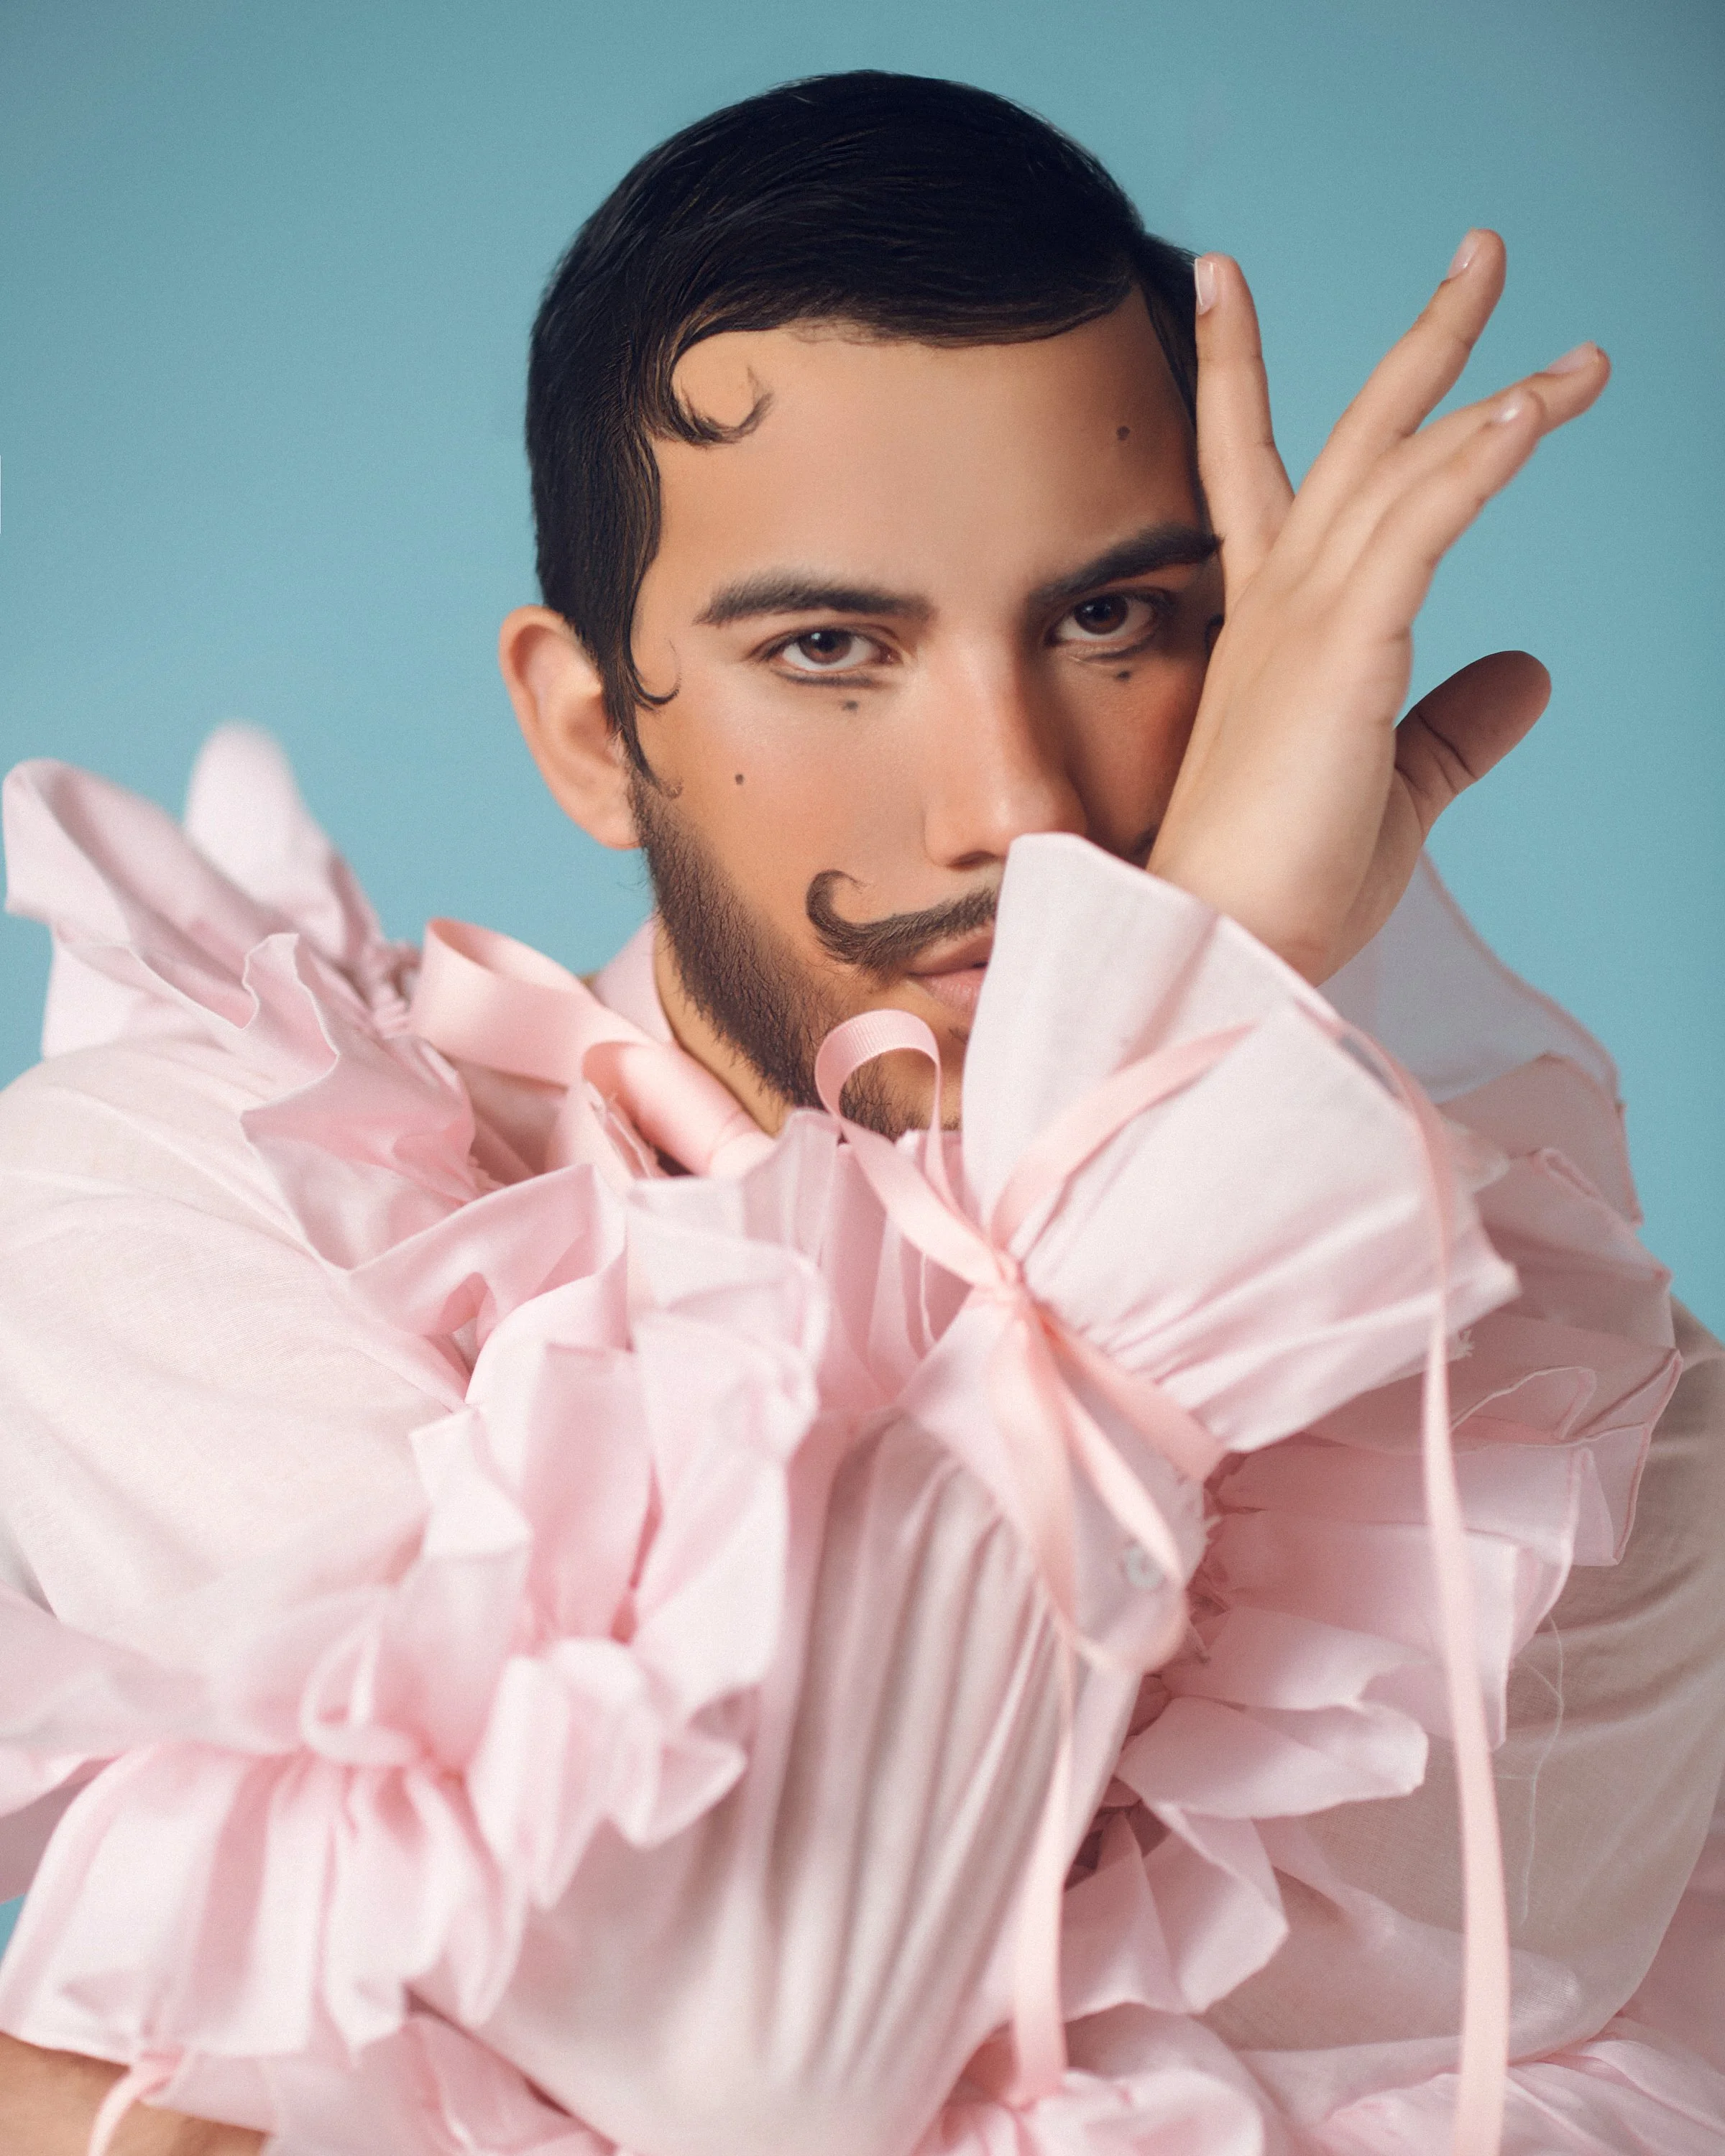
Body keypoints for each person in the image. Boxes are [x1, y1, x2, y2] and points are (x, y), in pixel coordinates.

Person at [0, 68, 1720, 2156]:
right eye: (831, 644)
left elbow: (751, 2092)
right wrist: (1191, 1009)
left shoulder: (1556, 1431)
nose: (1013, 807)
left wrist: (1184, 1027)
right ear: (585, 729)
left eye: (1113, 621)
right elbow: (774, 2073)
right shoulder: (188, 1202)